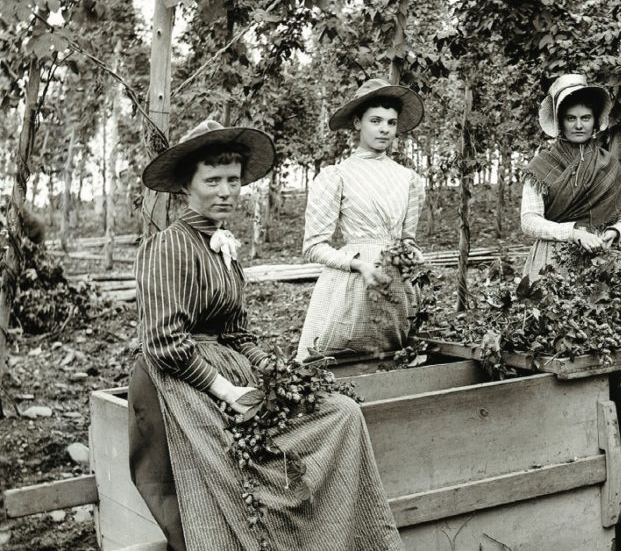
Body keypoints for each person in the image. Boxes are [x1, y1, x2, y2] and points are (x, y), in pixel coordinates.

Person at [128, 119, 404, 550]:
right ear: (186, 184)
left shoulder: (220, 247)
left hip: (228, 369)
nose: (225, 191)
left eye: (233, 181)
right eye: (213, 180)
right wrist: (226, 390)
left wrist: (276, 370)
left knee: (342, 413)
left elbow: (237, 334)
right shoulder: (170, 246)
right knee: (247, 478)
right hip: (183, 382)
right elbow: (163, 342)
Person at [296, 79, 425, 362]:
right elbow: (313, 246)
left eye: (391, 123)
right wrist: (358, 264)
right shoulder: (337, 175)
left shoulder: (408, 180)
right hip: (351, 285)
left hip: (396, 283)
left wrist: (412, 253)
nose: (384, 129)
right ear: (357, 124)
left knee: (395, 361)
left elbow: (407, 239)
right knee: (335, 362)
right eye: (375, 120)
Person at [520, 74, 621, 281]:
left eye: (586, 118)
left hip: (600, 257)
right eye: (571, 118)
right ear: (560, 122)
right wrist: (572, 232)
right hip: (552, 261)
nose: (579, 125)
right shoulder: (541, 166)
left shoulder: (609, 164)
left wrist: (615, 232)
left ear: (595, 120)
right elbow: (529, 221)